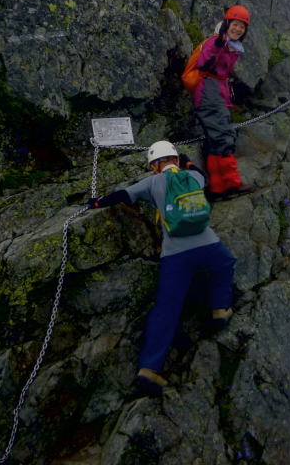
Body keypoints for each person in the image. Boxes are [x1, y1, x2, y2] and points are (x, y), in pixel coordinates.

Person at [88, 140, 236, 397]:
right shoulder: (193, 177)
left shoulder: (153, 183)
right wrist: (188, 160)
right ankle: (220, 309)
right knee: (225, 264)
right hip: (207, 244)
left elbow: (123, 195)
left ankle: (149, 368)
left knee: (166, 308)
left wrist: (97, 203)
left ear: (155, 166)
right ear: (175, 162)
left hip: (175, 255)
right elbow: (201, 174)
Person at [191, 5, 255, 201]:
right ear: (227, 24)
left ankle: (218, 188)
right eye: (235, 24)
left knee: (214, 143)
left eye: (242, 27)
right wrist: (218, 44)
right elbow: (202, 64)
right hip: (210, 95)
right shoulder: (217, 42)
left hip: (216, 93)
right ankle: (233, 182)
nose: (238, 29)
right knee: (225, 137)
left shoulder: (231, 46)